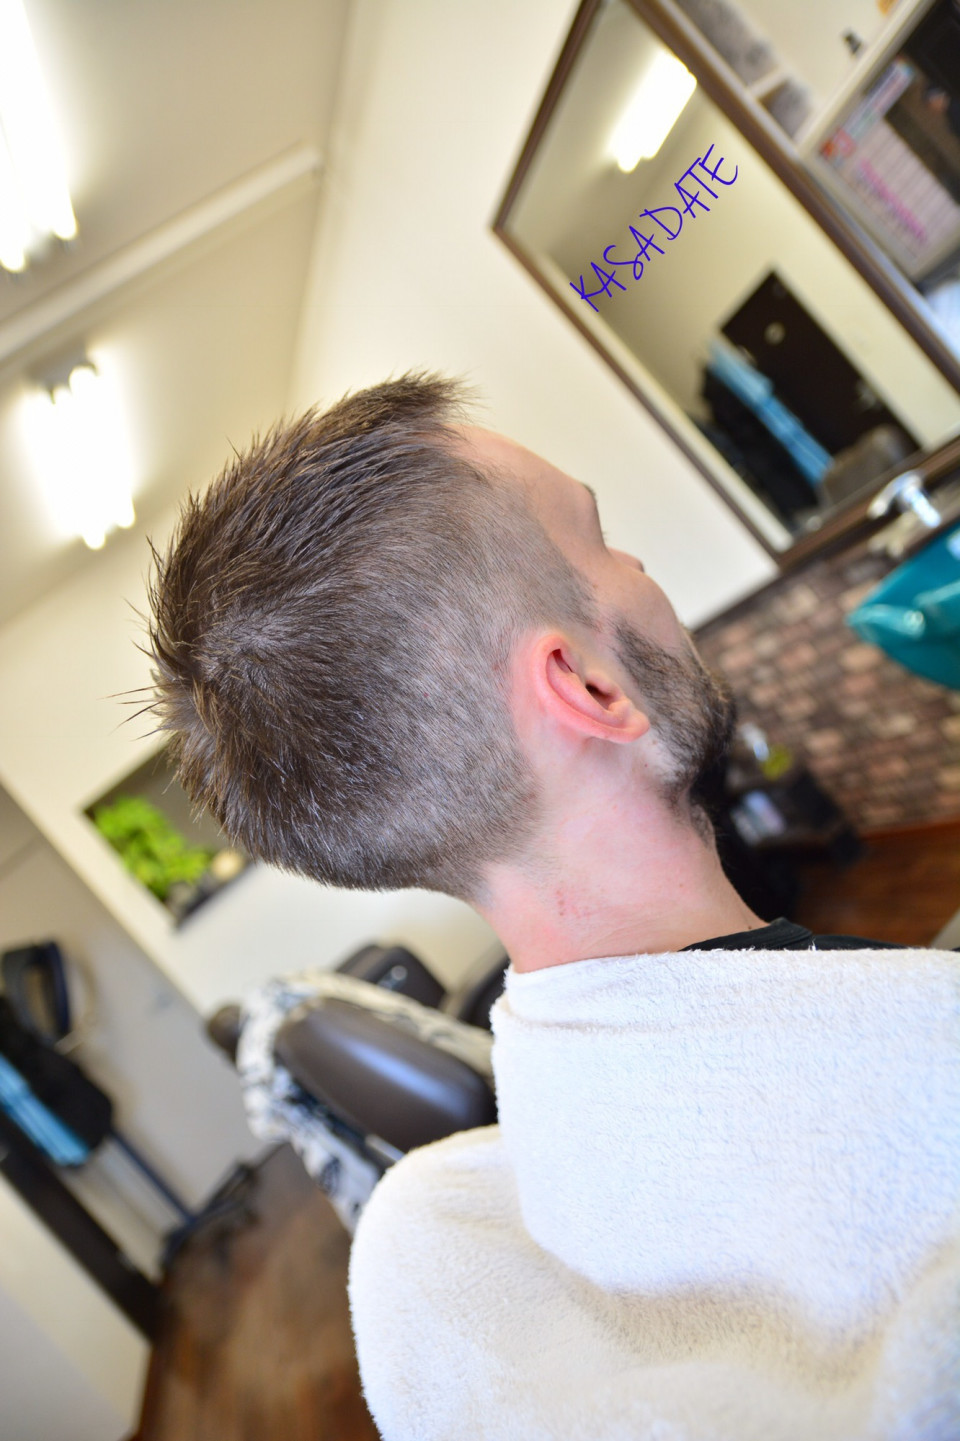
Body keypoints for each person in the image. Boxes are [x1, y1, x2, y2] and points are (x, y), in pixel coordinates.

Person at [147, 374, 959, 1440]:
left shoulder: (471, 1252)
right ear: (590, 687)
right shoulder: (929, 1074)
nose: (640, 567)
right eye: (601, 539)